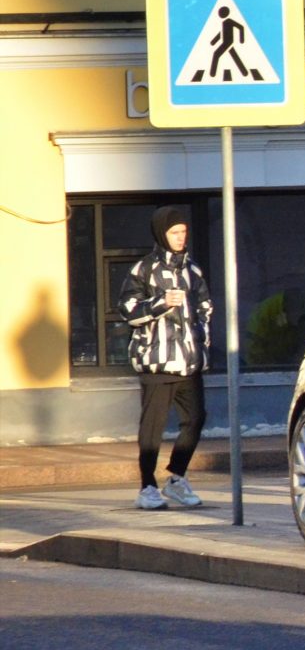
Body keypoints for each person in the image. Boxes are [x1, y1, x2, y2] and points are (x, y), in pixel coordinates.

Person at [118, 206, 214, 511]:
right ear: (162, 233)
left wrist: (202, 340)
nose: (181, 237)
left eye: (184, 231)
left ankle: (176, 477)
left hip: (189, 364)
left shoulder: (193, 270)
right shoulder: (143, 270)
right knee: (152, 428)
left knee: (196, 420)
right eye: (175, 232)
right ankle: (147, 486)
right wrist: (160, 303)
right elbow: (127, 309)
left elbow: (206, 307)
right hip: (156, 364)